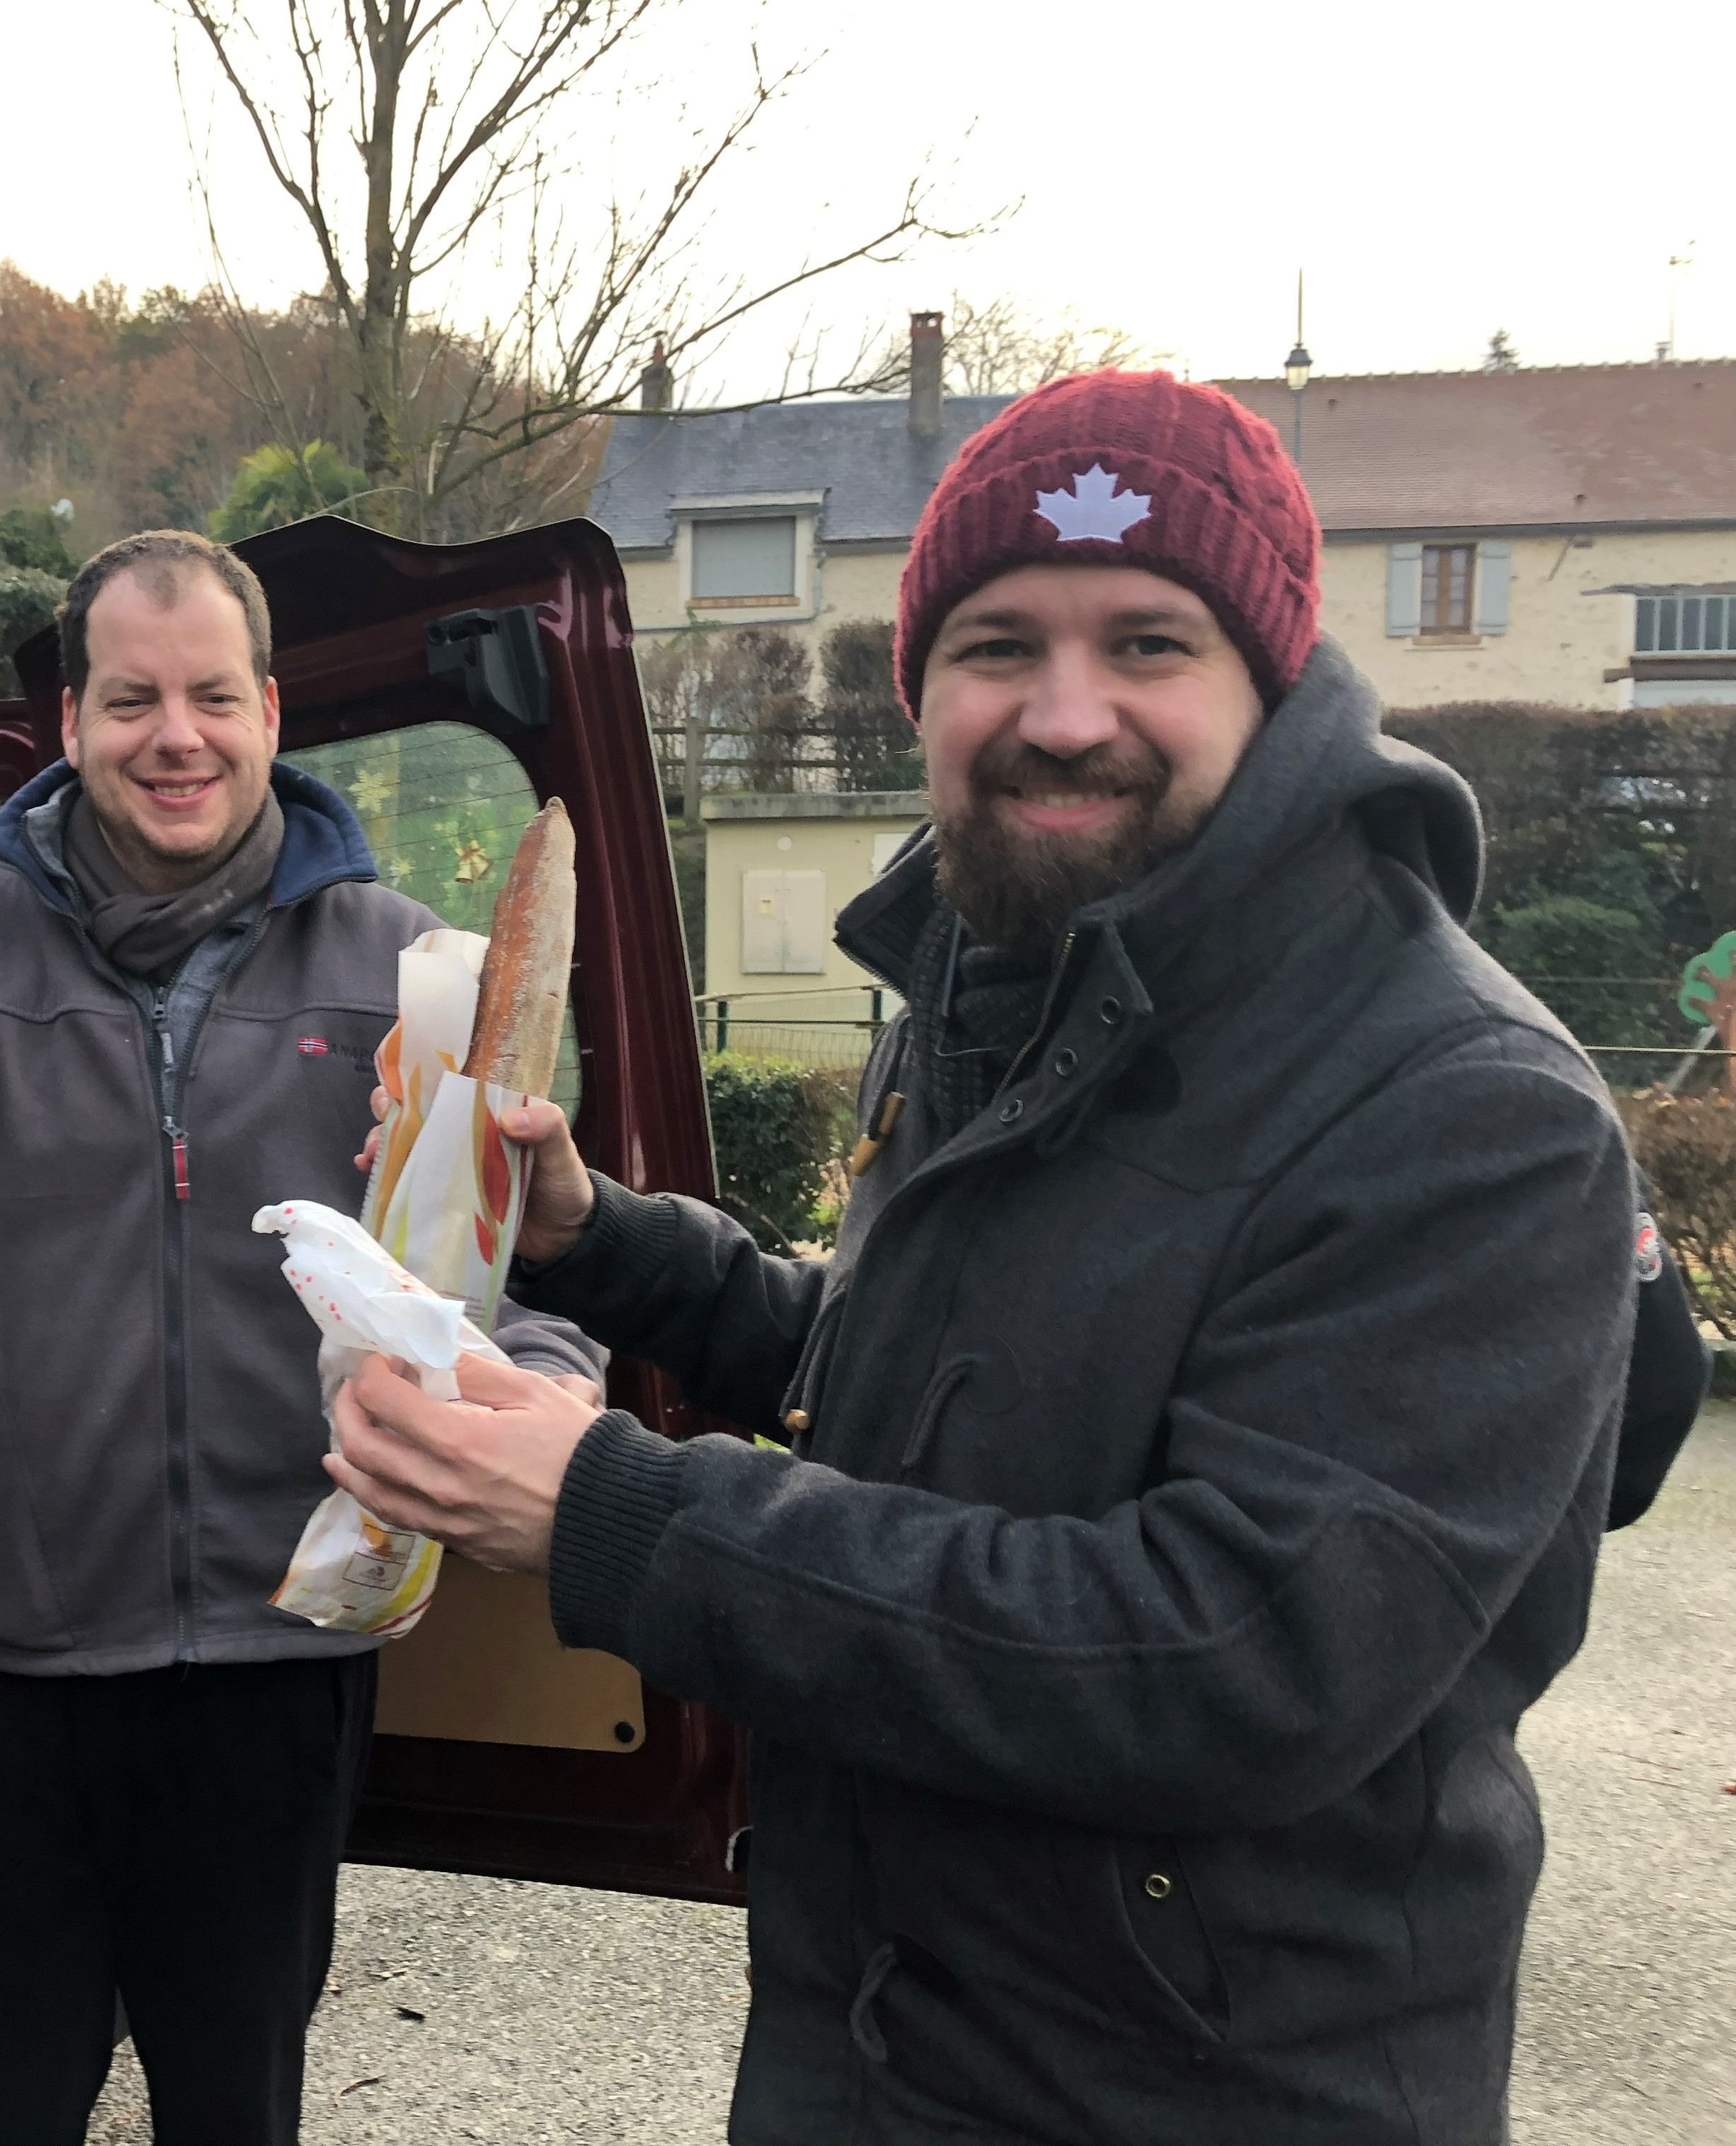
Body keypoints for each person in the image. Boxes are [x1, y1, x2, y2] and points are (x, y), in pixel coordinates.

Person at [328, 372, 1654, 2144]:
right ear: (925, 687)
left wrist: (615, 1513)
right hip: (876, 2037)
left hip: (1200, 2089)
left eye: (1149, 642)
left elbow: (1229, 1658)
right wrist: (598, 1241)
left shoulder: (1467, 1110)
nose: (1066, 710)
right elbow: (900, 1375)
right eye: (999, 644)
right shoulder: (1006, 979)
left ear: (1272, 678)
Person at [0, 529, 602, 2145]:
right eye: (131, 698)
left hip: (279, 1666)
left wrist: (537, 1398)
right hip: (8, 1662)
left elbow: (503, 1263)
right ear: (70, 718)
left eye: (212, 695)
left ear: (273, 712)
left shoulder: (403, 965)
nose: (174, 735)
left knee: (235, 2102)